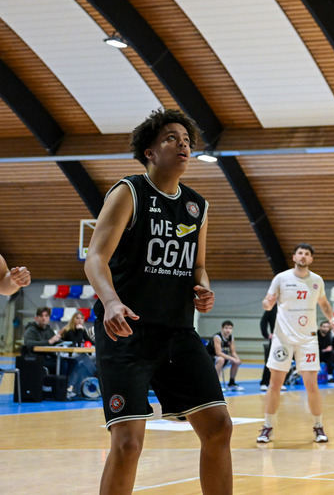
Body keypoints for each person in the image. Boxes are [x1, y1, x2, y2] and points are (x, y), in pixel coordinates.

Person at [83, 108, 232, 495]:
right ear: (149, 151)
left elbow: (198, 266)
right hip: (127, 334)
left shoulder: (197, 206)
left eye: (186, 140)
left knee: (219, 426)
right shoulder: (128, 191)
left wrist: (203, 286)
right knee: (128, 443)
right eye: (171, 138)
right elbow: (96, 258)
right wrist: (112, 302)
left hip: (177, 333)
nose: (182, 144)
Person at [257, 243, 334, 444]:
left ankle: (318, 426)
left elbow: (325, 304)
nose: (303, 256)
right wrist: (267, 304)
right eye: (300, 253)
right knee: (275, 383)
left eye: (307, 254)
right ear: (294, 256)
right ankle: (267, 426)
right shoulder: (281, 278)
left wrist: (332, 320)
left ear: (311, 259)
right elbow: (268, 302)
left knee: (311, 385)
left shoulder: (317, 280)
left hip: (307, 340)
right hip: (282, 339)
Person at [60, 310, 97, 396]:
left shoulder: (82, 330)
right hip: (67, 354)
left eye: (82, 318)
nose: (80, 320)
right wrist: (80, 331)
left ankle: (77, 388)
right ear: (73, 320)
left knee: (84, 365)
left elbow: (90, 341)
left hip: (77, 354)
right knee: (84, 359)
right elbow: (76, 343)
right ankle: (92, 375)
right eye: (77, 318)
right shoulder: (68, 331)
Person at [23, 306, 61, 373]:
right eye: (41, 316)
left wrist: (67, 342)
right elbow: (29, 344)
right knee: (63, 364)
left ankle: (68, 383)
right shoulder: (31, 329)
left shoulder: (49, 329)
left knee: (72, 362)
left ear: (49, 318)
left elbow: (55, 341)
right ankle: (59, 382)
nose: (44, 318)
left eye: (46, 316)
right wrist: (49, 342)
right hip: (37, 358)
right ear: (37, 318)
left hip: (49, 357)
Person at [209, 320, 241, 390]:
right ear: (222, 328)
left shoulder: (231, 337)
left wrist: (237, 359)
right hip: (210, 357)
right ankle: (215, 384)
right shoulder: (217, 337)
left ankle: (231, 383)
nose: (228, 330)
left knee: (236, 362)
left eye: (230, 328)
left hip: (222, 357)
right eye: (226, 328)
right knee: (221, 359)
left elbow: (233, 352)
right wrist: (232, 358)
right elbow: (218, 353)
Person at [259, 303, 277, 391]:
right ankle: (264, 383)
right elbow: (263, 322)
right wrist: (266, 334)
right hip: (274, 339)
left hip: (287, 339)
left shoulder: (290, 308)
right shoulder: (272, 308)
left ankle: (280, 383)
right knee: (269, 361)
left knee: (283, 362)